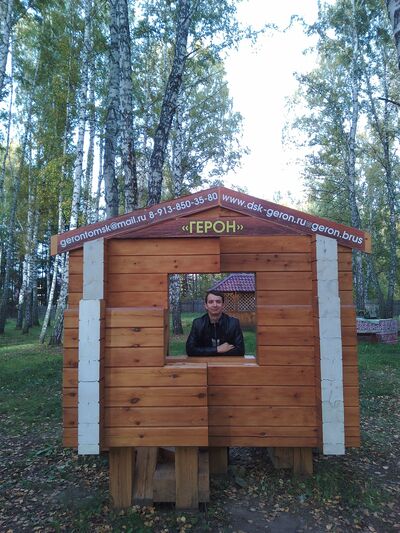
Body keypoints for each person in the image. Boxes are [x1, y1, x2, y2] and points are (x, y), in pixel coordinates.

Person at [186, 290, 245, 356]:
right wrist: (217, 349)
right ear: (206, 305)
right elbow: (190, 350)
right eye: (211, 302)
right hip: (204, 362)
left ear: (223, 305)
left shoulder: (233, 323)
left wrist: (205, 352)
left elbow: (240, 350)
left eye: (218, 302)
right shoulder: (198, 323)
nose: (215, 305)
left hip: (227, 361)